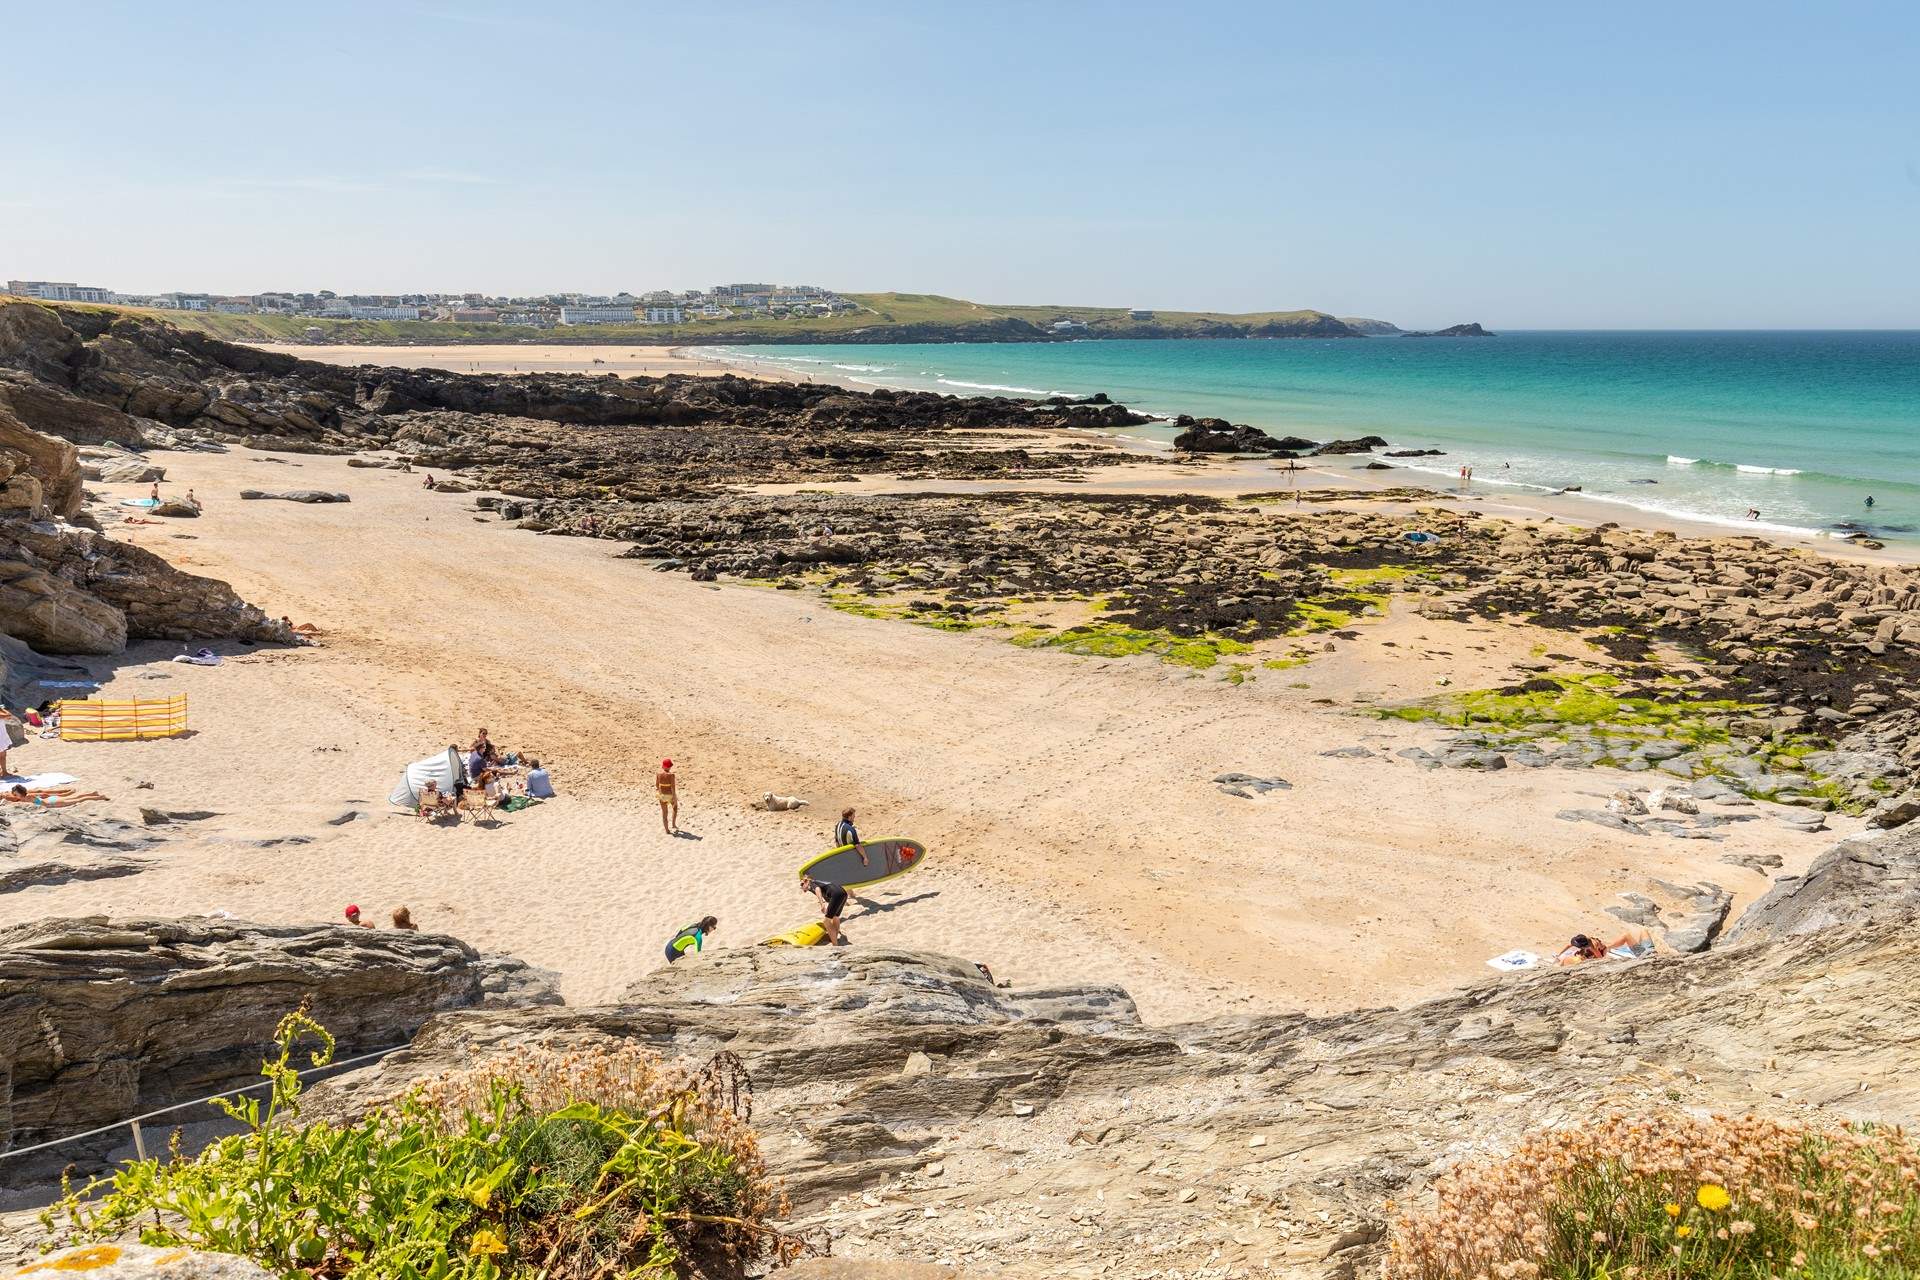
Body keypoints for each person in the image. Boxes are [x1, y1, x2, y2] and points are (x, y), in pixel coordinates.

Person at [801, 874, 855, 945]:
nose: (801, 886)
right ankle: (834, 937)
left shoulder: (812, 883)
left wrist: (822, 904)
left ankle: (835, 945)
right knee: (835, 917)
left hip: (836, 894)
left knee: (826, 922)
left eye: (802, 884)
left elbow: (817, 889)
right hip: (843, 893)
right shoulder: (818, 882)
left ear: (807, 881)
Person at [1555, 929, 1653, 965]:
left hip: (1647, 954)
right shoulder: (1585, 942)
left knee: (1633, 935)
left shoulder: (1593, 947)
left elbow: (1599, 957)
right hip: (1647, 952)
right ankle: (1642, 950)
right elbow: (1568, 945)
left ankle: (1643, 952)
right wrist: (1559, 955)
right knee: (1642, 932)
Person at [7, 783, 107, 808]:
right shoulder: (26, 796)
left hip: (52, 803)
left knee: (78, 800)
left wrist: (63, 793)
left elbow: (41, 795)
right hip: (51, 800)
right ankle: (93, 793)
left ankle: (100, 797)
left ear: (20, 793)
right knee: (75, 797)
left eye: (16, 794)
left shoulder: (27, 797)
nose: (15, 796)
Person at [656, 758, 679, 834]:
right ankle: (673, 824)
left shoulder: (658, 774)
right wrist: (675, 798)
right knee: (675, 808)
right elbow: (673, 788)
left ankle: (667, 830)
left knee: (664, 814)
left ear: (663, 766)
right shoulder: (671, 775)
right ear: (670, 767)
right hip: (670, 795)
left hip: (662, 796)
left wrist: (660, 792)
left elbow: (657, 785)